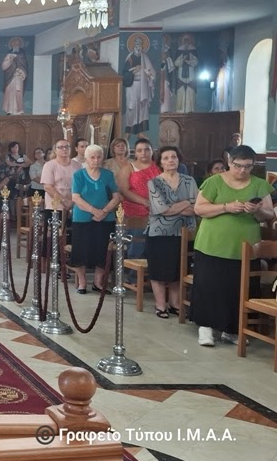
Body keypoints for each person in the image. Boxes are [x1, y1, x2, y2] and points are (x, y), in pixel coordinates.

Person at [190, 145, 274, 347]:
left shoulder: (259, 185)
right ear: (229, 162)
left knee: (238, 288)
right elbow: (199, 209)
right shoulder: (214, 181)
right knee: (209, 285)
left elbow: (269, 214)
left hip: (245, 246)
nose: (242, 170)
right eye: (238, 166)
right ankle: (206, 327)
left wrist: (256, 210)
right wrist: (226, 207)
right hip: (212, 243)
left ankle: (232, 329)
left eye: (248, 166)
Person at [146, 147, 198, 319]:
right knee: (159, 270)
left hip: (184, 232)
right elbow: (162, 210)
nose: (170, 160)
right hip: (159, 234)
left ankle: (175, 303)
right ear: (160, 162)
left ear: (178, 159)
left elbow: (196, 208)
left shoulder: (189, 181)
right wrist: (186, 202)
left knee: (177, 270)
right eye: (166, 158)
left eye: (173, 157)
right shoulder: (154, 183)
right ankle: (161, 304)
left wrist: (175, 207)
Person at [69, 144, 122, 294]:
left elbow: (116, 197)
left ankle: (98, 282)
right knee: (81, 250)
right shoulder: (78, 175)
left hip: (105, 218)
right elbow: (76, 197)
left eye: (99, 157)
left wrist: (104, 211)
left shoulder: (108, 174)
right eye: (92, 157)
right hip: (82, 218)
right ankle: (82, 282)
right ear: (86, 159)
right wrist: (94, 211)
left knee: (102, 249)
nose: (96, 160)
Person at [117, 139, 160, 266]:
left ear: (152, 151)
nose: (143, 153)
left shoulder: (159, 167)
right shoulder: (128, 168)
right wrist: (145, 202)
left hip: (157, 211)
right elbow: (124, 190)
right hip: (135, 211)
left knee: (156, 246)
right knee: (137, 245)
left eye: (147, 149)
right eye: (140, 150)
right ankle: (134, 274)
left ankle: (153, 273)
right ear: (135, 153)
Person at [123, 34, 156, 135]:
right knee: (132, 107)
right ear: (134, 46)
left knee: (142, 107)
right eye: (137, 45)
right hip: (132, 86)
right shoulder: (130, 58)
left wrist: (148, 74)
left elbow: (151, 72)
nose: (139, 47)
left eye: (140, 45)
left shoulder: (145, 57)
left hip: (142, 86)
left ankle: (140, 132)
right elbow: (125, 74)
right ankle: (129, 131)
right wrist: (134, 70)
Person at [1, 38, 28, 115]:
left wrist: (21, 71)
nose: (16, 44)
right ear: (12, 44)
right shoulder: (9, 54)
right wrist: (10, 60)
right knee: (9, 92)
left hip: (18, 76)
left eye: (17, 43)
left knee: (18, 92)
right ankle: (9, 110)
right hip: (10, 77)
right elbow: (3, 66)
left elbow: (24, 65)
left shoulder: (22, 54)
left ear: (19, 44)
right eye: (14, 43)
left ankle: (19, 110)